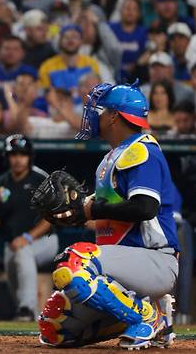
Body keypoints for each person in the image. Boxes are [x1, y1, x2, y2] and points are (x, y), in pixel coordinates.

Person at [39, 82, 179, 349]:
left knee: (75, 261)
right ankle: (142, 314)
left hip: (154, 260)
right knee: (54, 327)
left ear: (114, 115)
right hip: (119, 273)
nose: (94, 115)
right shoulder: (112, 157)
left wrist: (90, 208)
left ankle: (149, 318)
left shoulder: (142, 150)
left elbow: (145, 208)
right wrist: (76, 213)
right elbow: (109, 215)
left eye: (100, 110)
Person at [0, 134, 57, 320]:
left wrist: (28, 238)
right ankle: (29, 314)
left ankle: (27, 309)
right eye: (13, 154)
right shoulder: (0, 183)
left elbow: (52, 216)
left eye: (22, 154)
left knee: (23, 253)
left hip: (44, 241)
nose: (18, 159)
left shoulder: (40, 178)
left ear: (29, 156)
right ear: (7, 157)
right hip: (12, 243)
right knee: (15, 285)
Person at [39, 24, 100, 101]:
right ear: (60, 41)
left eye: (75, 37)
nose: (70, 40)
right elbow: (46, 94)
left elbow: (96, 92)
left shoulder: (91, 63)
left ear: (81, 41)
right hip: (58, 108)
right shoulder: (47, 66)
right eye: (66, 37)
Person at [109, 0, 148, 82]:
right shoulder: (110, 29)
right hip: (111, 74)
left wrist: (136, 65)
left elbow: (146, 55)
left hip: (136, 77)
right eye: (127, 8)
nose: (130, 12)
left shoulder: (144, 32)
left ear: (139, 13)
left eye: (134, 9)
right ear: (120, 10)